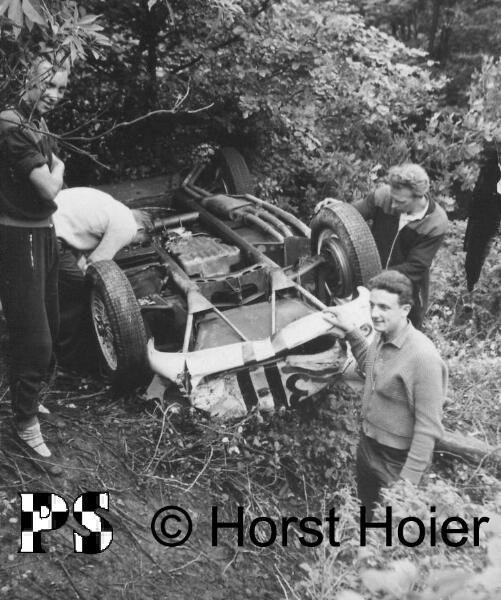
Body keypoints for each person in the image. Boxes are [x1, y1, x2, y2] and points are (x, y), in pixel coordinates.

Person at [323, 270, 447, 516]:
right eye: (372, 305)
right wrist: (350, 330)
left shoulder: (424, 358)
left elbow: (428, 429)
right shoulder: (383, 336)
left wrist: (407, 485)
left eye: (384, 307)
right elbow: (371, 367)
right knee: (368, 513)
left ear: (405, 310)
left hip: (397, 460)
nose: (375, 314)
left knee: (394, 525)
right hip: (368, 447)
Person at [0, 57, 68, 458]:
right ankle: (24, 423)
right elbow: (48, 187)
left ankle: (26, 397)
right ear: (27, 79)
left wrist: (54, 167)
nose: (55, 94)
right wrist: (58, 168)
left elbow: (52, 173)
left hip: (43, 231)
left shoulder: (37, 124)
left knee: (51, 324)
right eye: (48, 84)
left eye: (61, 88)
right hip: (18, 234)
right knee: (35, 338)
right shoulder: (10, 125)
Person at [52, 187, 150, 371]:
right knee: (78, 293)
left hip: (49, 221)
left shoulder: (115, 208)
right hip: (53, 234)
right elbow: (97, 264)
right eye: (139, 241)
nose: (132, 246)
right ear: (141, 228)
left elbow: (82, 246)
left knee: (62, 289)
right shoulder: (127, 226)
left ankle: (60, 347)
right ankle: (72, 361)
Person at [352, 163, 448, 329]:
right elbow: (351, 216)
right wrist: (336, 209)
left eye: (400, 201)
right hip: (369, 285)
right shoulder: (383, 196)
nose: (393, 205)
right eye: (393, 197)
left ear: (419, 196)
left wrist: (375, 276)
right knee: (360, 330)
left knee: (398, 337)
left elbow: (415, 267)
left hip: (405, 292)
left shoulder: (436, 222)